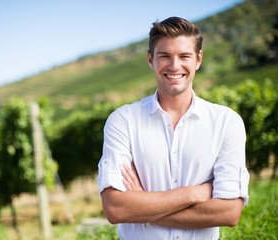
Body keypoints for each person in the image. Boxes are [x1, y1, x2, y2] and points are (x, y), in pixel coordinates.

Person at [97, 16, 250, 240]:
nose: (174, 66)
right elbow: (116, 209)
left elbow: (229, 213)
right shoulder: (123, 121)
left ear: (198, 59)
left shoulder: (227, 122)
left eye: (184, 56)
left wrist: (142, 205)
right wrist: (196, 193)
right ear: (151, 59)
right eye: (164, 56)